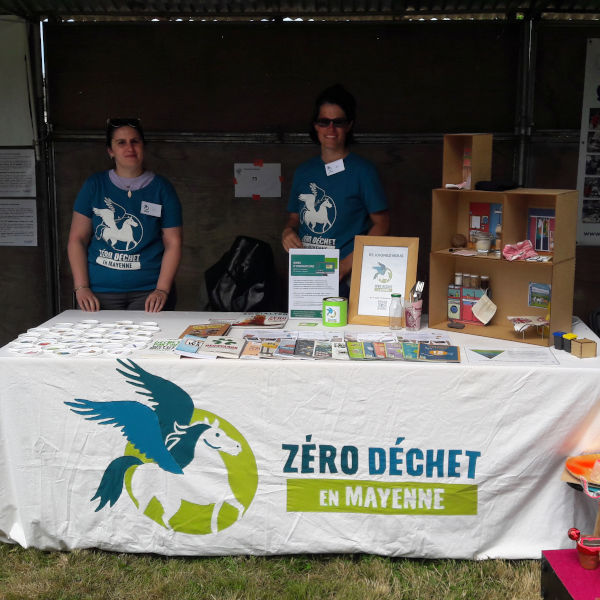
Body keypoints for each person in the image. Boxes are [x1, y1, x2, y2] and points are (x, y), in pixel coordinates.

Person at [281, 84, 390, 294]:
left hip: (346, 276)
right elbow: (295, 218)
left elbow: (382, 225)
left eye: (338, 122)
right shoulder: (304, 171)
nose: (330, 129)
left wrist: (346, 266)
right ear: (315, 125)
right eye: (324, 122)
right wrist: (287, 231)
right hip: (307, 273)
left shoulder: (363, 171)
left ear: (349, 125)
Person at [67, 118, 183, 312]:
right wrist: (82, 287)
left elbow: (174, 242)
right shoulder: (95, 185)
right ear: (110, 151)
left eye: (135, 141)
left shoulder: (162, 188)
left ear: (143, 146)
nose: (129, 147)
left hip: (149, 293)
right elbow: (77, 239)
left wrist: (162, 290)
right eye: (121, 142)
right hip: (99, 293)